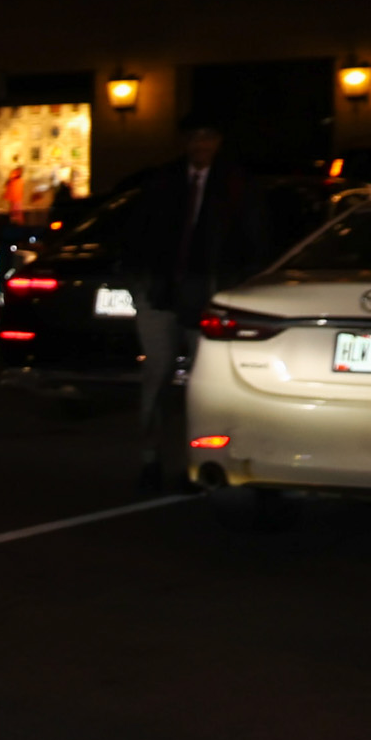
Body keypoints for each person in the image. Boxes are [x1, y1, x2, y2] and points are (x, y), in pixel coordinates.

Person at [114, 116, 268, 486]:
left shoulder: (236, 184)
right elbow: (136, 232)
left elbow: (255, 239)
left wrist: (235, 288)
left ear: (219, 142)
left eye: (209, 137)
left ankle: (194, 464)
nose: (201, 145)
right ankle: (150, 459)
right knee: (157, 374)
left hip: (208, 291)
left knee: (202, 384)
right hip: (162, 289)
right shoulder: (164, 180)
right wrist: (139, 281)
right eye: (195, 138)